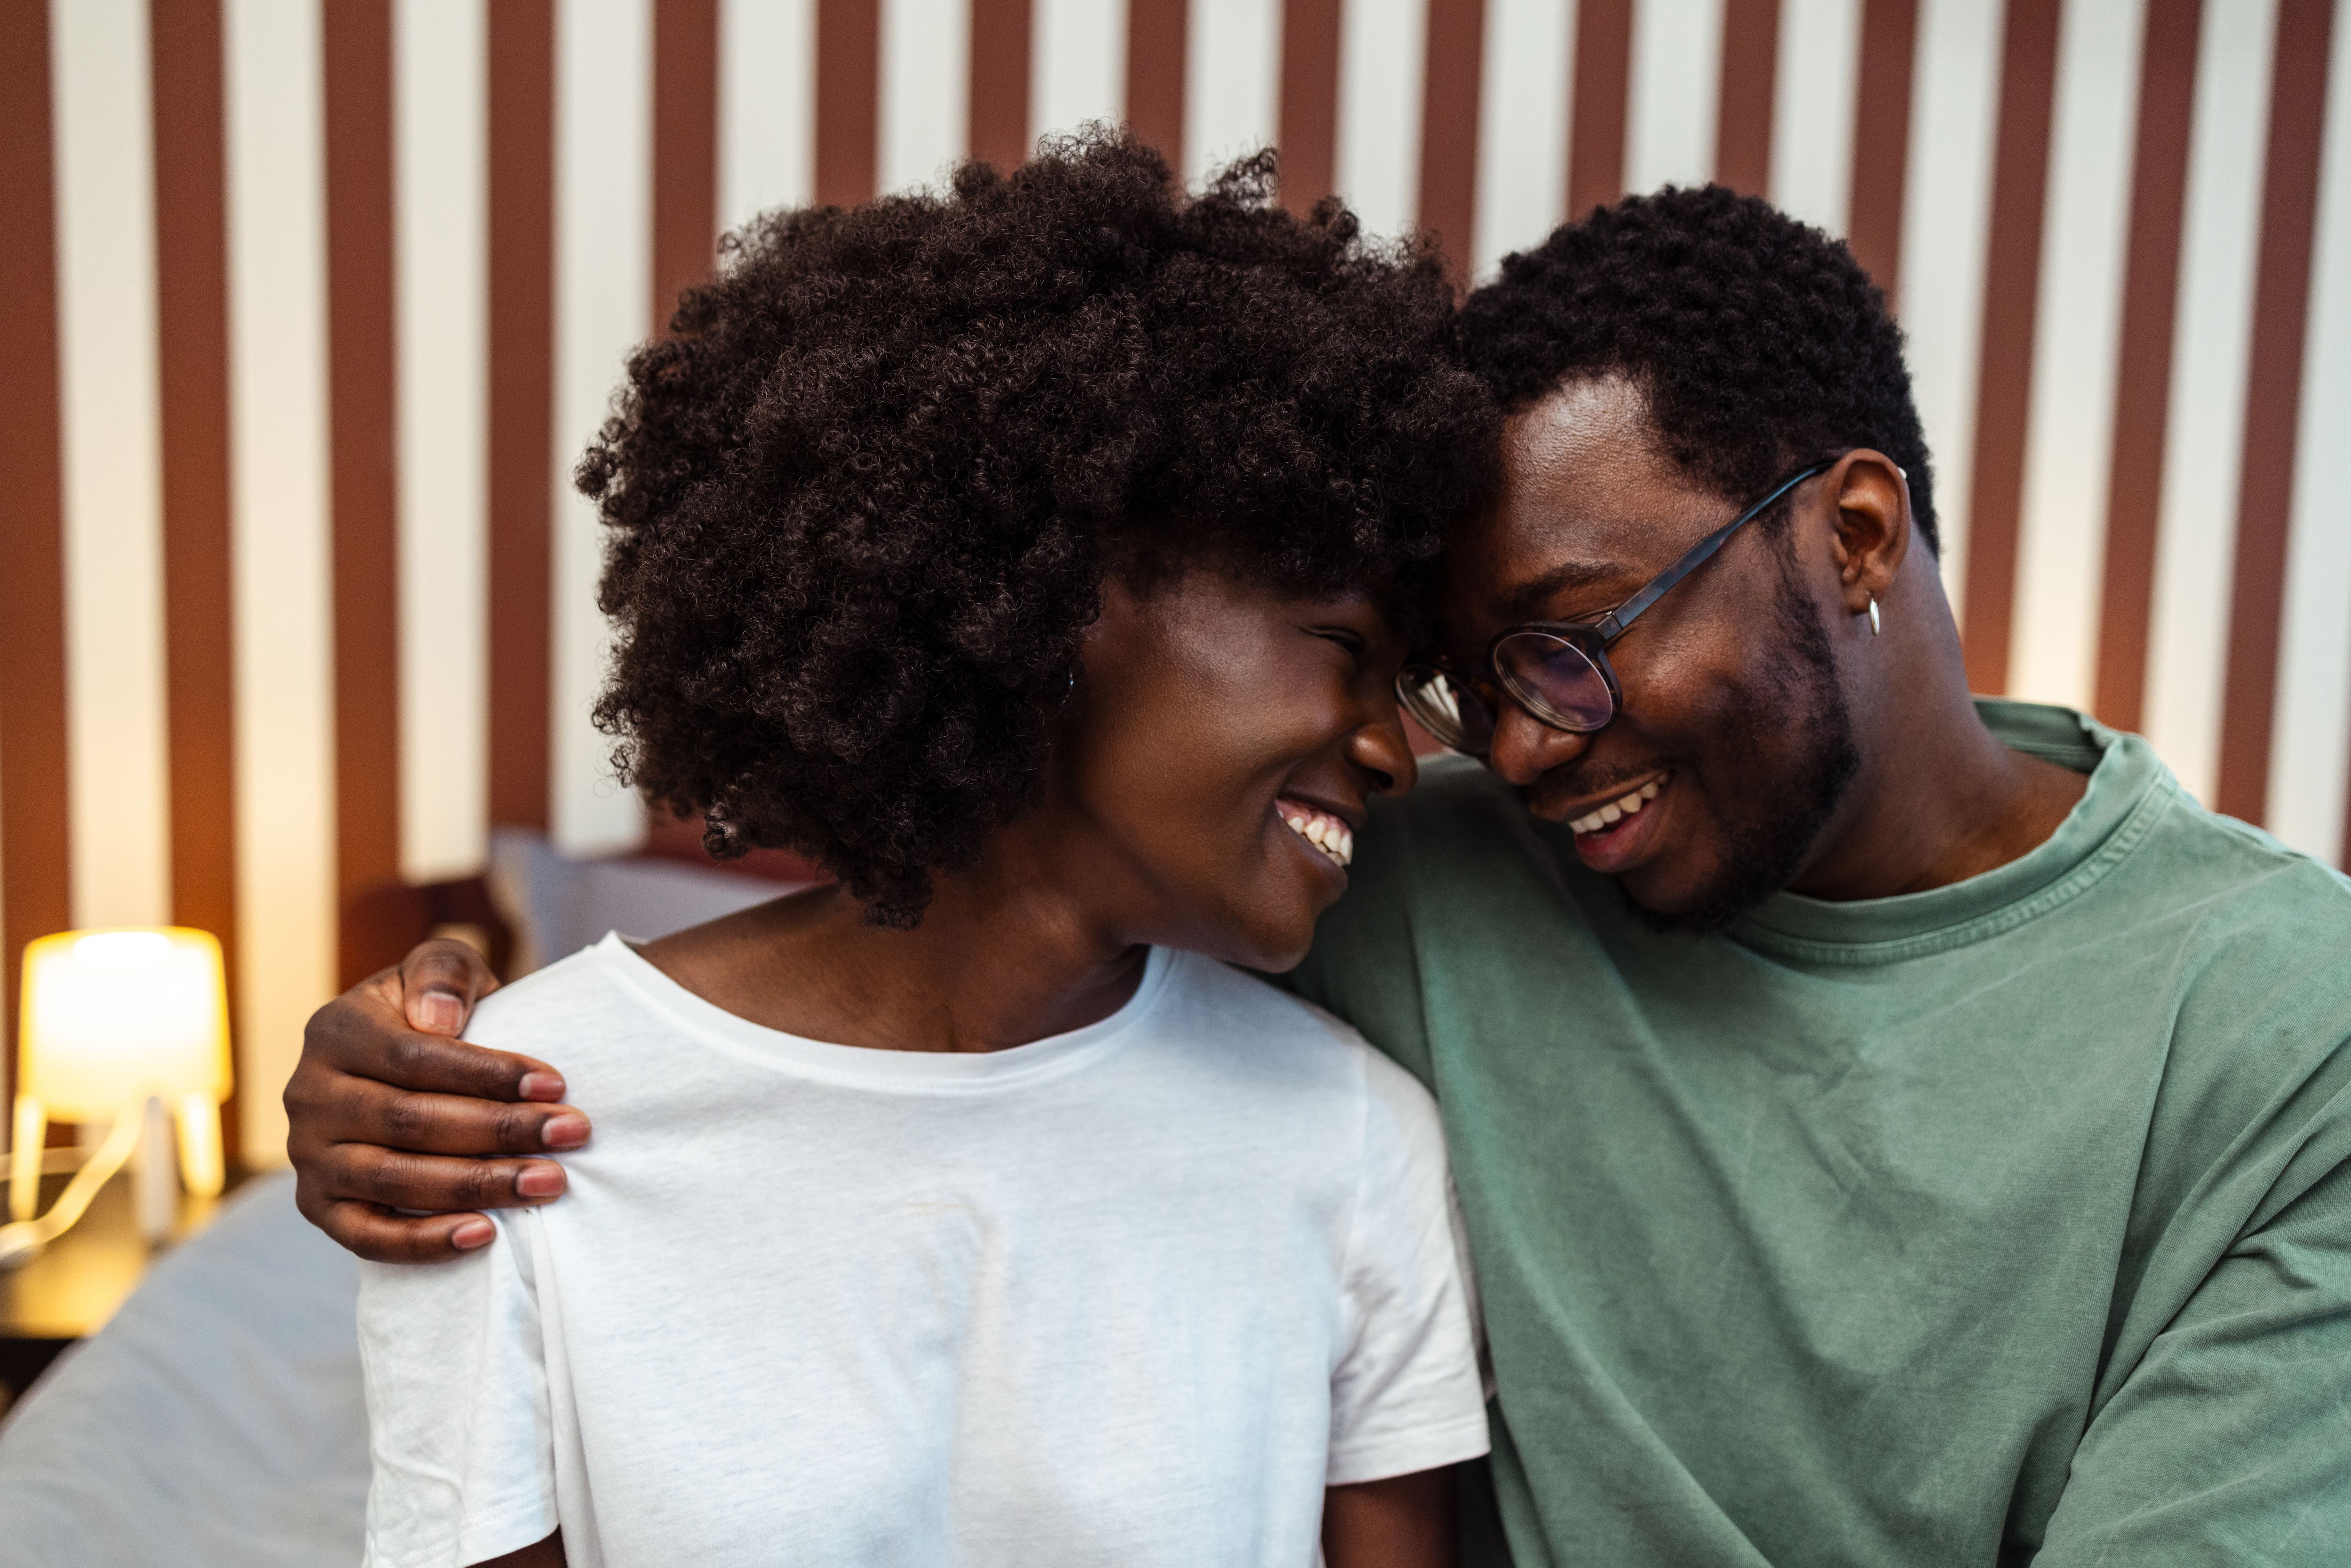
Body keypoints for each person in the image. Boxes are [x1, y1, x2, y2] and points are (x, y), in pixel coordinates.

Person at [294, 185, 2351, 1566]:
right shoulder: (1391, 877)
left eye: (1570, 638)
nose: (1502, 751)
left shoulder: (2278, 1025)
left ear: (1865, 535)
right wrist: (426, 1038)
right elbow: (947, 956)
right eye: (1444, 676)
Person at [347, 134, 1502, 1568]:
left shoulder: (1350, 1141)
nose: (1396, 748)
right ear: (1052, 588)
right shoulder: (513, 1125)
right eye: (1346, 649)